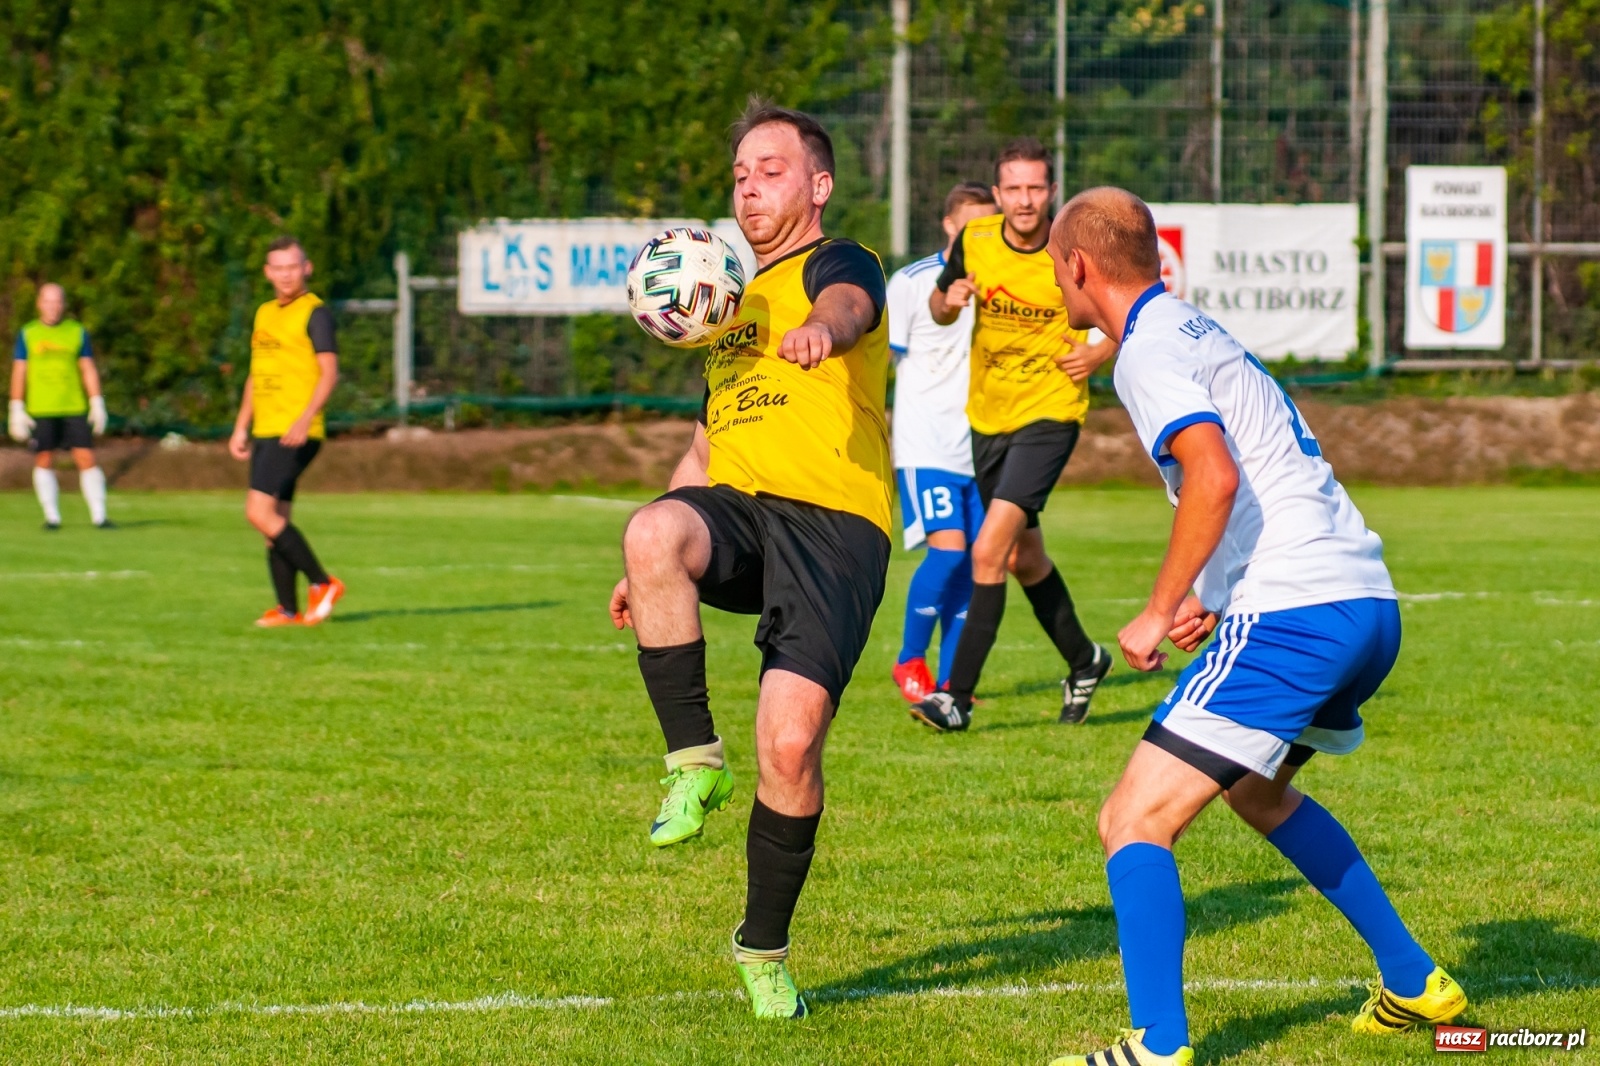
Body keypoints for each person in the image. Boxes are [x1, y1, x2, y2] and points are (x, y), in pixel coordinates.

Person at [1041, 187, 1466, 1066]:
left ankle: (1157, 1045)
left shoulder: (1145, 353)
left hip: (1299, 611)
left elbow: (1215, 475)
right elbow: (1260, 478)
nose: (1055, 274)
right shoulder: (1194, 329)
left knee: (1132, 820)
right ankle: (1413, 977)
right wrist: (1214, 594)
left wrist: (1161, 608)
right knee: (1256, 789)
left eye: (1055, 261)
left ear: (1077, 265)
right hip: (1362, 602)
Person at [608, 101, 890, 1020]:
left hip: (837, 526)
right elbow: (707, 440)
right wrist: (652, 553)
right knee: (652, 530)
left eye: (769, 169)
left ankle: (761, 947)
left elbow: (853, 306)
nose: (748, 185)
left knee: (793, 747)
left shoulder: (837, 266)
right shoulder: (724, 299)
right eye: (739, 173)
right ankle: (693, 760)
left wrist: (827, 332)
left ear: (817, 184)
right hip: (741, 508)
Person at [910, 137, 1118, 732]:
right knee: (1028, 558)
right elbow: (941, 303)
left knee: (988, 550)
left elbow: (1134, 311)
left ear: (1051, 191)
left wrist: (1097, 354)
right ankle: (1085, 659)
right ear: (998, 194)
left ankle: (956, 698)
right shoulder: (975, 241)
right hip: (988, 418)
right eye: (1014, 189)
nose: (1025, 201)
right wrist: (948, 301)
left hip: (1051, 413)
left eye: (1036, 188)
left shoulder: (1075, 246)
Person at [887, 182, 999, 702]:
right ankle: (910, 660)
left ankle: (953, 681)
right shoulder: (911, 282)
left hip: (979, 447)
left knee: (978, 565)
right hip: (925, 443)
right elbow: (887, 357)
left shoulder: (1001, 280)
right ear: (950, 225)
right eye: (973, 223)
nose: (983, 233)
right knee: (948, 553)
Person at [228, 236, 345, 628]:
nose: (285, 275)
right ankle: (287, 610)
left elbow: (329, 372)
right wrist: (241, 425)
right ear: (267, 272)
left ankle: (322, 583)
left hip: (296, 431)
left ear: (306, 267)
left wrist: (305, 416)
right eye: (278, 268)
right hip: (266, 428)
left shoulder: (315, 313)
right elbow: (256, 375)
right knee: (273, 522)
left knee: (257, 512)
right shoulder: (264, 314)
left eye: (292, 267)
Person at [8, 284, 113, 530]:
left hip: (73, 406)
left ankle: (100, 515)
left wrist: (97, 401)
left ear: (63, 305)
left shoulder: (76, 332)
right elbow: (20, 371)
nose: (53, 307)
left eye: (57, 302)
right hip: (42, 408)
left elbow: (87, 368)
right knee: (44, 458)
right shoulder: (28, 333)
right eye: (48, 301)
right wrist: (16, 406)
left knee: (86, 457)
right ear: (39, 303)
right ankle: (52, 517)